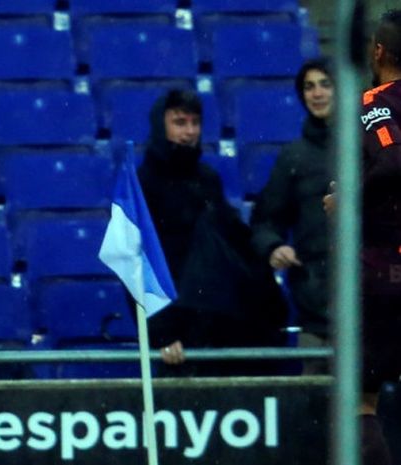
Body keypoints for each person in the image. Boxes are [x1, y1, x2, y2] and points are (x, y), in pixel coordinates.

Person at [139, 89, 288, 376]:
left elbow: (232, 240)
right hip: (177, 333)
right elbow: (138, 262)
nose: (190, 131)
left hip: (219, 325)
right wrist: (161, 332)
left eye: (195, 123)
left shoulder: (208, 179)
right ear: (161, 125)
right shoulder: (144, 184)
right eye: (180, 123)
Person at [324, 9, 401, 465]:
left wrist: (348, 200)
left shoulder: (376, 102)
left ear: (377, 51)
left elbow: (393, 162)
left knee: (360, 400)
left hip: (383, 269)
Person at [250, 57, 334, 374]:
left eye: (325, 84)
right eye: (309, 86)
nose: (317, 93)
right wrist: (274, 246)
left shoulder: (368, 147)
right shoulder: (293, 157)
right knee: (315, 410)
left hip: (369, 306)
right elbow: (265, 220)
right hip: (315, 310)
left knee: (368, 408)